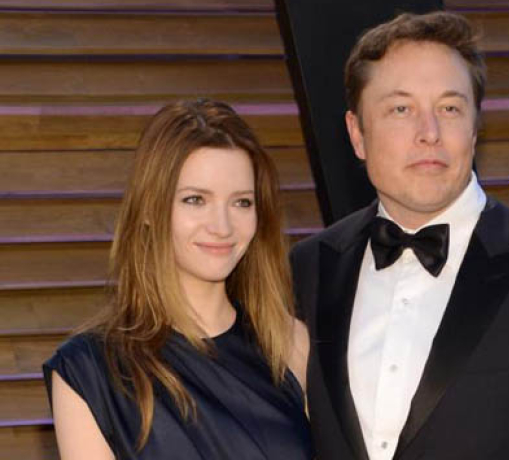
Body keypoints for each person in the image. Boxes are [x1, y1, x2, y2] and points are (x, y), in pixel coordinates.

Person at [291, 11, 509, 460]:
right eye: (401, 109)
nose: (429, 133)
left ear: (475, 130)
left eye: (450, 108)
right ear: (357, 133)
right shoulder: (311, 266)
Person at [43, 99, 313, 460]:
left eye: (242, 202)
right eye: (195, 200)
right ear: (149, 208)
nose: (222, 226)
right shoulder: (89, 369)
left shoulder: (289, 342)